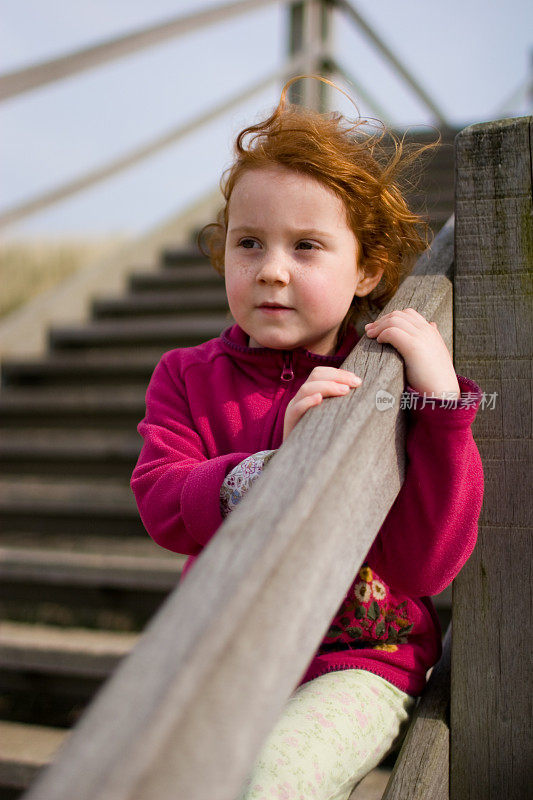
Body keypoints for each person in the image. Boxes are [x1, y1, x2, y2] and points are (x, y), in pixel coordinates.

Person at [130, 76, 484, 800]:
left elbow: (424, 568)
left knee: (268, 783)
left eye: (307, 246)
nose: (271, 270)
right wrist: (271, 466)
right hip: (224, 650)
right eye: (249, 242)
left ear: (368, 270)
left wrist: (441, 409)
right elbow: (161, 501)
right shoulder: (185, 376)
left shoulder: (384, 381)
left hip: (361, 660)